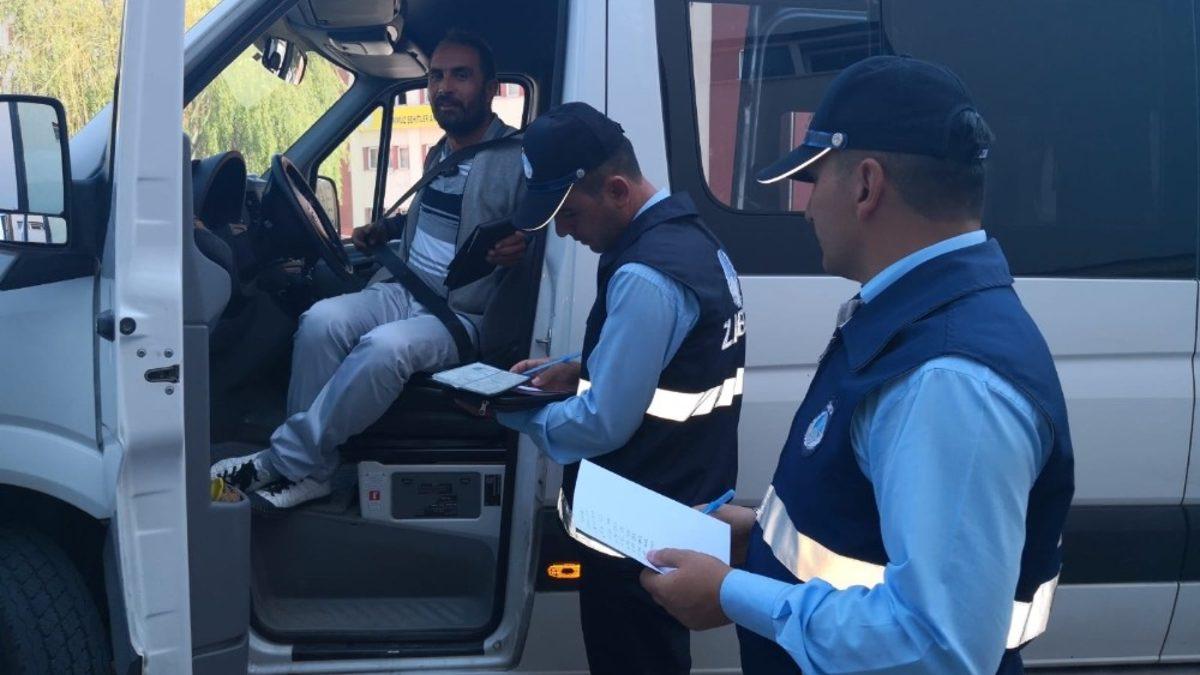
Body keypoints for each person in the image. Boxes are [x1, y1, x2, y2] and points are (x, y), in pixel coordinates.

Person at [640, 55, 1075, 674]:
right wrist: (759, 538)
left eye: (813, 180)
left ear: (867, 185)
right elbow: (869, 535)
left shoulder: (947, 378)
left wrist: (732, 594)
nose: (807, 208)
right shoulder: (912, 325)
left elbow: (937, 647)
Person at [211, 30, 529, 509]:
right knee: (320, 321)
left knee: (384, 348)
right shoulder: (441, 152)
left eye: (460, 76)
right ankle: (315, 473)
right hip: (402, 290)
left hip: (462, 314)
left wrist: (525, 245)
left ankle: (284, 461)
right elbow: (437, 217)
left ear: (489, 89)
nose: (444, 87)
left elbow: (547, 235)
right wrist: (388, 228)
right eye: (436, 76)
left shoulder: (518, 160)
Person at [495, 102, 747, 674]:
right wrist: (577, 366)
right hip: (677, 503)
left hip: (635, 525)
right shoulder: (690, 240)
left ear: (615, 190)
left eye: (569, 213)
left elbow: (602, 423)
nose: (563, 230)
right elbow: (674, 358)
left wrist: (508, 409)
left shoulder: (645, 275)